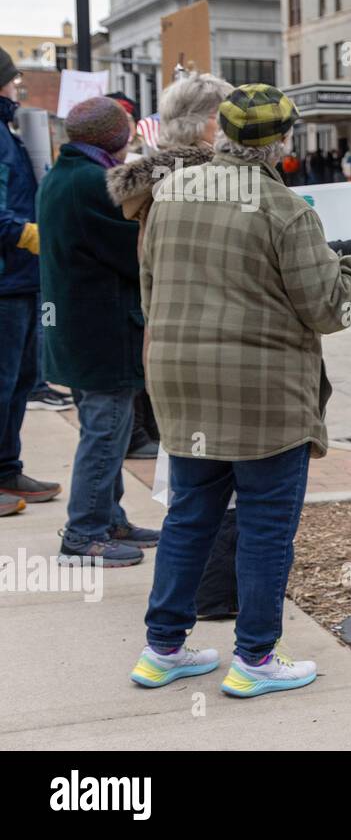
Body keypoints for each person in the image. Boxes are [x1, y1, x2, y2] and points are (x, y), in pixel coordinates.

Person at [130, 84, 351, 696]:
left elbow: (151, 294)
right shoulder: (285, 209)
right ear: (283, 141)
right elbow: (330, 307)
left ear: (220, 130)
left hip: (180, 383)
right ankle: (253, 659)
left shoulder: (169, 193)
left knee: (189, 516)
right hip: (263, 395)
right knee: (266, 524)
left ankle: (162, 648)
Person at [35, 97, 158, 564]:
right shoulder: (90, 182)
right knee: (106, 433)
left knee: (105, 427)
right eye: (126, 129)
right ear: (113, 136)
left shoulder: (66, 175)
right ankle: (84, 534)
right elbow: (136, 252)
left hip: (82, 331)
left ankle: (110, 519)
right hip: (100, 332)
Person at [0, 46, 62, 516]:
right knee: (4, 383)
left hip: (20, 281)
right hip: (7, 281)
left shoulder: (9, 131)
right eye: (12, 79)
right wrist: (29, 234)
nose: (17, 86)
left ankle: (7, 470)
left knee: (20, 380)